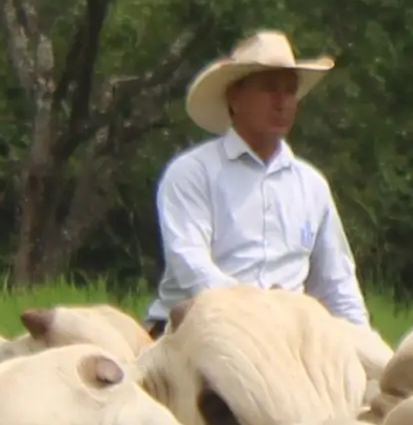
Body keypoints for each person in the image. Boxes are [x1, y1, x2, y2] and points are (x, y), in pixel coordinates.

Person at [148, 29, 367, 333]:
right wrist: (256, 311)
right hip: (200, 326)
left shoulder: (312, 186)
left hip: (285, 332)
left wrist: (362, 340)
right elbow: (192, 267)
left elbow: (336, 284)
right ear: (234, 97)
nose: (282, 102)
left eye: (290, 91)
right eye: (269, 89)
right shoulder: (192, 172)